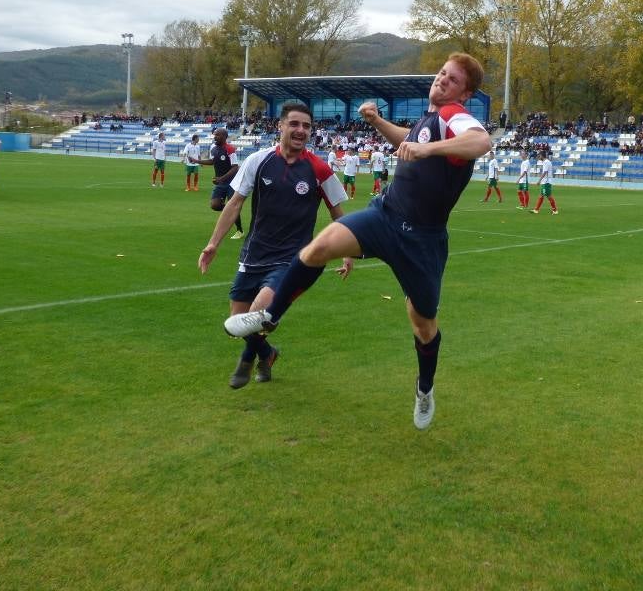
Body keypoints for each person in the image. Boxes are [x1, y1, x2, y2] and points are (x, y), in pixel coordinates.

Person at [222, 52, 491, 430]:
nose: (442, 80)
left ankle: (425, 388)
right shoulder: (431, 119)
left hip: (421, 241)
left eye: (453, 80)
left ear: (464, 94)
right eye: (442, 73)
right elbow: (410, 140)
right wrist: (380, 122)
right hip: (385, 215)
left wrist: (427, 149)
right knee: (318, 248)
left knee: (423, 322)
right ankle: (269, 314)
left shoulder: (452, 117)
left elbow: (481, 141)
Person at [198, 103, 353, 389]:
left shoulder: (320, 170)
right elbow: (234, 204)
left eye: (306, 126)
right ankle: (267, 354)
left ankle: (246, 360)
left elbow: (338, 215)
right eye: (294, 124)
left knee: (257, 316)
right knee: (237, 320)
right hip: (254, 254)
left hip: (291, 260)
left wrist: (346, 252)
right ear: (280, 126)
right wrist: (213, 244)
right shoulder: (259, 160)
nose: (301, 130)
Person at [197, 127, 244, 240]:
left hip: (232, 183)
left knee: (232, 206)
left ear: (224, 136)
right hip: (220, 182)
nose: (215, 137)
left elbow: (235, 168)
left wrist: (221, 178)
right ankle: (230, 210)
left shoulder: (230, 149)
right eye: (214, 135)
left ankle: (240, 230)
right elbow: (212, 161)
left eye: (217, 135)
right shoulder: (214, 148)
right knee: (215, 205)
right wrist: (197, 161)